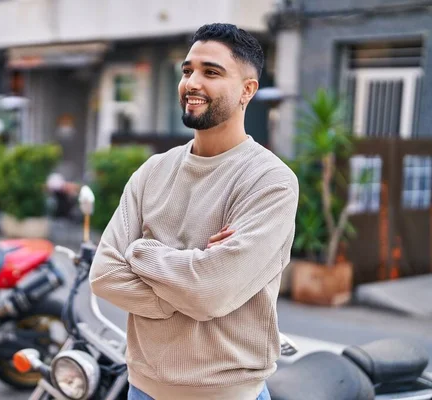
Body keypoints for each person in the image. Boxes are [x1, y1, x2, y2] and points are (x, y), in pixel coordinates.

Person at [89, 23, 299, 400]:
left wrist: (141, 252)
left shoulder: (269, 181)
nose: (192, 83)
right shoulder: (153, 171)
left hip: (227, 393)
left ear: (247, 91)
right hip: (142, 388)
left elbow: (211, 292)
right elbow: (104, 275)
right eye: (187, 71)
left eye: (211, 72)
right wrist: (192, 274)